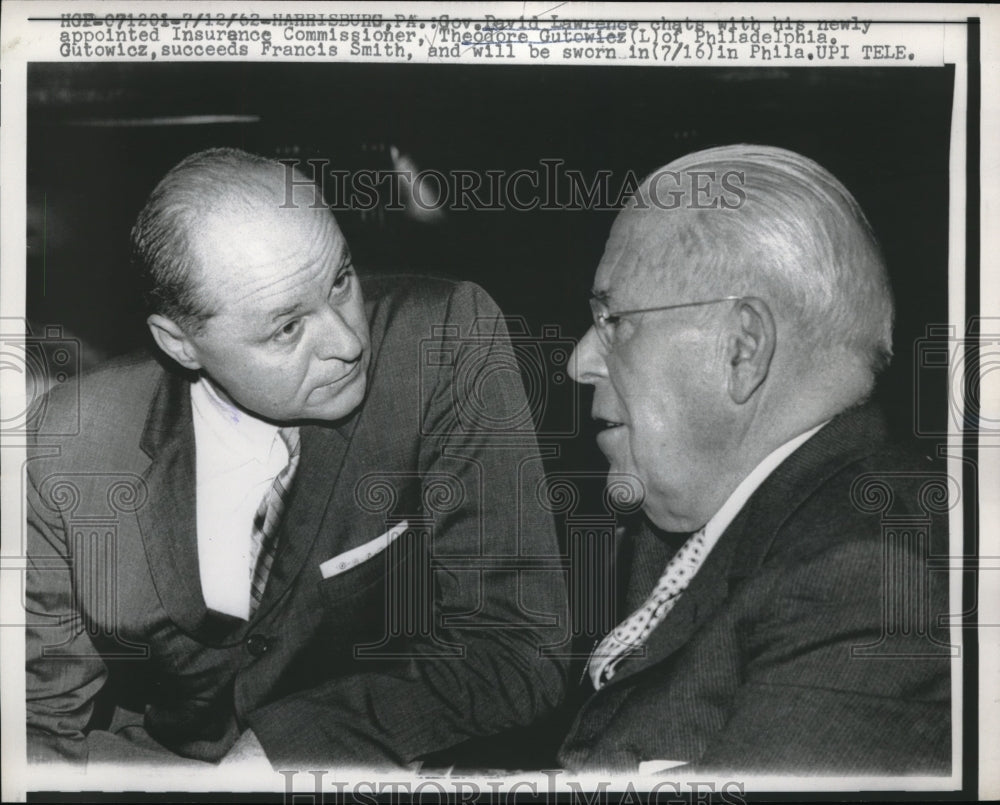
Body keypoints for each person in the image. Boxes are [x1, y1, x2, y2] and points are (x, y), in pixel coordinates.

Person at [25, 148, 567, 768]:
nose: (346, 342)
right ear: (180, 343)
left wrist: (282, 752)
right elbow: (34, 721)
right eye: (287, 329)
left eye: (341, 280)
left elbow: (517, 648)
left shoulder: (440, 343)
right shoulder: (72, 440)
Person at [557, 145, 952, 774]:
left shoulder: (870, 580)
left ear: (742, 349)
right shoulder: (699, 534)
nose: (580, 362)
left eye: (613, 320)